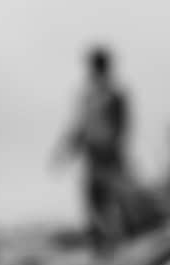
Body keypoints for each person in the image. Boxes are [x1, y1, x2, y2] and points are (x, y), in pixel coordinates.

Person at [53, 45, 132, 254]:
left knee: (111, 199)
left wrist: (113, 148)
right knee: (92, 200)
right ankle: (103, 248)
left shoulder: (114, 95)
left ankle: (116, 245)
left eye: (96, 67)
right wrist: (65, 151)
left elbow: (122, 127)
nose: (93, 71)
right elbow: (80, 127)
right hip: (93, 154)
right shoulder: (88, 96)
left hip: (108, 155)